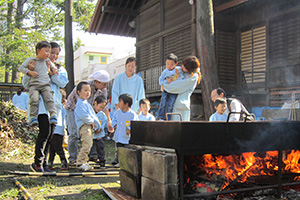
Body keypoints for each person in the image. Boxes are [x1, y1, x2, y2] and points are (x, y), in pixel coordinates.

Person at [23, 41, 69, 172]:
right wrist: (31, 72)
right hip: (41, 106)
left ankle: (44, 164)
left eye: (56, 54)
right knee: (44, 132)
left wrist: (52, 72)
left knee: (50, 135)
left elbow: (63, 82)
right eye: (51, 52)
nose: (53, 56)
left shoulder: (59, 69)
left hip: (54, 107)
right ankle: (37, 162)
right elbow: (26, 84)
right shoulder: (34, 64)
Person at [65, 70, 112, 165]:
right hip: (73, 108)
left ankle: (89, 156)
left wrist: (108, 120)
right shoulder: (84, 87)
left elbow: (104, 105)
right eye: (104, 84)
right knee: (74, 133)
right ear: (97, 81)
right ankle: (73, 158)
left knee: (91, 133)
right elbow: (80, 107)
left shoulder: (103, 90)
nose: (105, 87)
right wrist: (91, 120)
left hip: (88, 112)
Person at [18, 41, 57, 126]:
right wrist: (29, 72)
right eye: (46, 51)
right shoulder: (31, 60)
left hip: (45, 84)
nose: (48, 54)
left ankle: (53, 114)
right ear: (38, 50)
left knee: (49, 99)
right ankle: (33, 117)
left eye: (49, 52)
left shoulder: (47, 61)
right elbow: (20, 67)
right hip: (34, 85)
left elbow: (54, 67)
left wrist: (54, 70)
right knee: (34, 100)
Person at [163, 56, 202, 121]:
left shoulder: (193, 77)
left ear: (189, 69)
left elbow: (177, 86)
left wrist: (165, 85)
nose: (182, 67)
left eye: (184, 67)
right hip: (173, 104)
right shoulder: (183, 72)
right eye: (182, 65)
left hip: (181, 107)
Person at [74, 81, 101, 171]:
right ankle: (80, 162)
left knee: (89, 145)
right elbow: (84, 116)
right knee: (86, 144)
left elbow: (93, 115)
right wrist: (91, 122)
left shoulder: (86, 103)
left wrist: (97, 124)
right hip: (85, 126)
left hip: (89, 126)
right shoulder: (80, 104)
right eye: (85, 90)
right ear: (79, 92)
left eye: (89, 90)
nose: (88, 93)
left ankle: (84, 162)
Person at [111, 93, 138, 167]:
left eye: (120, 101)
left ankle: (126, 162)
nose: (118, 103)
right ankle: (119, 161)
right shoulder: (117, 112)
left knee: (126, 149)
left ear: (126, 104)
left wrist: (129, 129)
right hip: (119, 135)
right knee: (119, 148)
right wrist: (115, 125)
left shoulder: (132, 114)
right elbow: (114, 120)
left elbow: (134, 123)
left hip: (126, 136)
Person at [156, 53, 181, 120]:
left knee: (170, 104)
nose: (169, 66)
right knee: (163, 102)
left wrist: (178, 75)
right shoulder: (165, 71)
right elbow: (160, 80)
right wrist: (166, 82)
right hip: (166, 89)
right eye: (167, 64)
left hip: (174, 90)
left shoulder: (178, 70)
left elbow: (182, 78)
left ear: (176, 64)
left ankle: (168, 118)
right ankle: (160, 116)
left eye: (172, 64)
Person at [48, 89, 68, 170]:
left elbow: (64, 120)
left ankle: (64, 162)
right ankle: (50, 162)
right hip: (52, 130)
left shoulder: (61, 108)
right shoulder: (53, 107)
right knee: (52, 148)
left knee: (59, 147)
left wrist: (65, 130)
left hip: (58, 130)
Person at [90, 96, 108, 168]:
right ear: (95, 103)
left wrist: (100, 129)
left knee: (100, 147)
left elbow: (103, 122)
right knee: (88, 147)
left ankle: (102, 160)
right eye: (100, 107)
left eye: (102, 108)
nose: (101, 109)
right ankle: (86, 160)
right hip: (91, 133)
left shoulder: (102, 114)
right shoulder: (90, 112)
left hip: (99, 134)